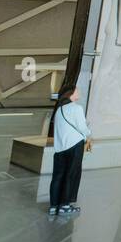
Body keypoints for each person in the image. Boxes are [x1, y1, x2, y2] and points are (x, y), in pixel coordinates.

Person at [47, 83, 91, 217]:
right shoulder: (76, 108)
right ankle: (65, 206)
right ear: (71, 93)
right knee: (71, 175)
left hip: (60, 148)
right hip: (75, 146)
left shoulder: (59, 110)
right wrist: (89, 134)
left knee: (58, 176)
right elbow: (83, 128)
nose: (79, 92)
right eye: (77, 90)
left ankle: (54, 206)